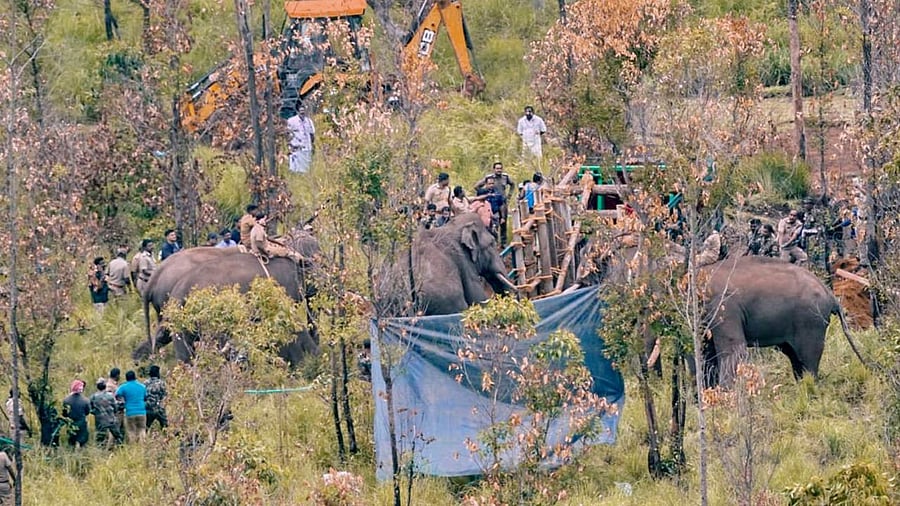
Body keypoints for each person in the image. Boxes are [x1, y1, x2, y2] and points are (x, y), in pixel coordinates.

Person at [475, 162, 516, 246]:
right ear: (494, 169)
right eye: (497, 168)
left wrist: (509, 196)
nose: (499, 170)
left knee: (503, 221)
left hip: (503, 201)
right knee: (492, 223)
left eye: (500, 168)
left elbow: (512, 184)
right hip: (491, 202)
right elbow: (477, 186)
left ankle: (503, 242)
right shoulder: (489, 178)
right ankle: (493, 242)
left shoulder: (505, 177)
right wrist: (484, 193)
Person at [115, 370, 147, 443]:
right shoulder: (142, 386)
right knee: (142, 429)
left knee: (131, 431)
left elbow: (117, 395)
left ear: (126, 378)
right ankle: (141, 447)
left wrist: (123, 400)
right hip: (141, 411)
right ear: (135, 377)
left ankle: (133, 447)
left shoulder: (123, 387)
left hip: (130, 412)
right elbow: (145, 397)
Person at [90, 378, 123, 446]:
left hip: (100, 421)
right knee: (118, 437)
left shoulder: (93, 397)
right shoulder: (110, 396)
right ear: (105, 386)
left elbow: (90, 409)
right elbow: (115, 407)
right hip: (111, 420)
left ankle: (101, 451)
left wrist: (96, 413)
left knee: (100, 439)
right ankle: (118, 449)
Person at [62, 379, 90, 448]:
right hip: (81, 423)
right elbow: (87, 412)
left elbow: (64, 413)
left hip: (71, 423)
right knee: (81, 440)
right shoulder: (85, 400)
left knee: (72, 441)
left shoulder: (66, 400)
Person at [287, 104, 315, 174]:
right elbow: (287, 134)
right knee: (295, 170)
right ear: (297, 111)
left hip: (307, 148)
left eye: (303, 110)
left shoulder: (309, 121)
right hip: (296, 149)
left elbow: (312, 134)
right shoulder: (291, 121)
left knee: (306, 170)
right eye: (300, 111)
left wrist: (311, 144)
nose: (302, 112)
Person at [144, 365, 168, 431]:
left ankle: (144, 440)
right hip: (158, 408)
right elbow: (165, 395)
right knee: (165, 426)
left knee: (146, 428)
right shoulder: (161, 383)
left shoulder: (145, 383)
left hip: (147, 407)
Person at [106, 368, 125, 435]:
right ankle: (110, 445)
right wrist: (122, 403)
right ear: (117, 375)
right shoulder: (110, 386)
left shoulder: (114, 384)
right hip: (115, 412)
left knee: (120, 431)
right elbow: (110, 399)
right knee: (114, 432)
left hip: (118, 411)